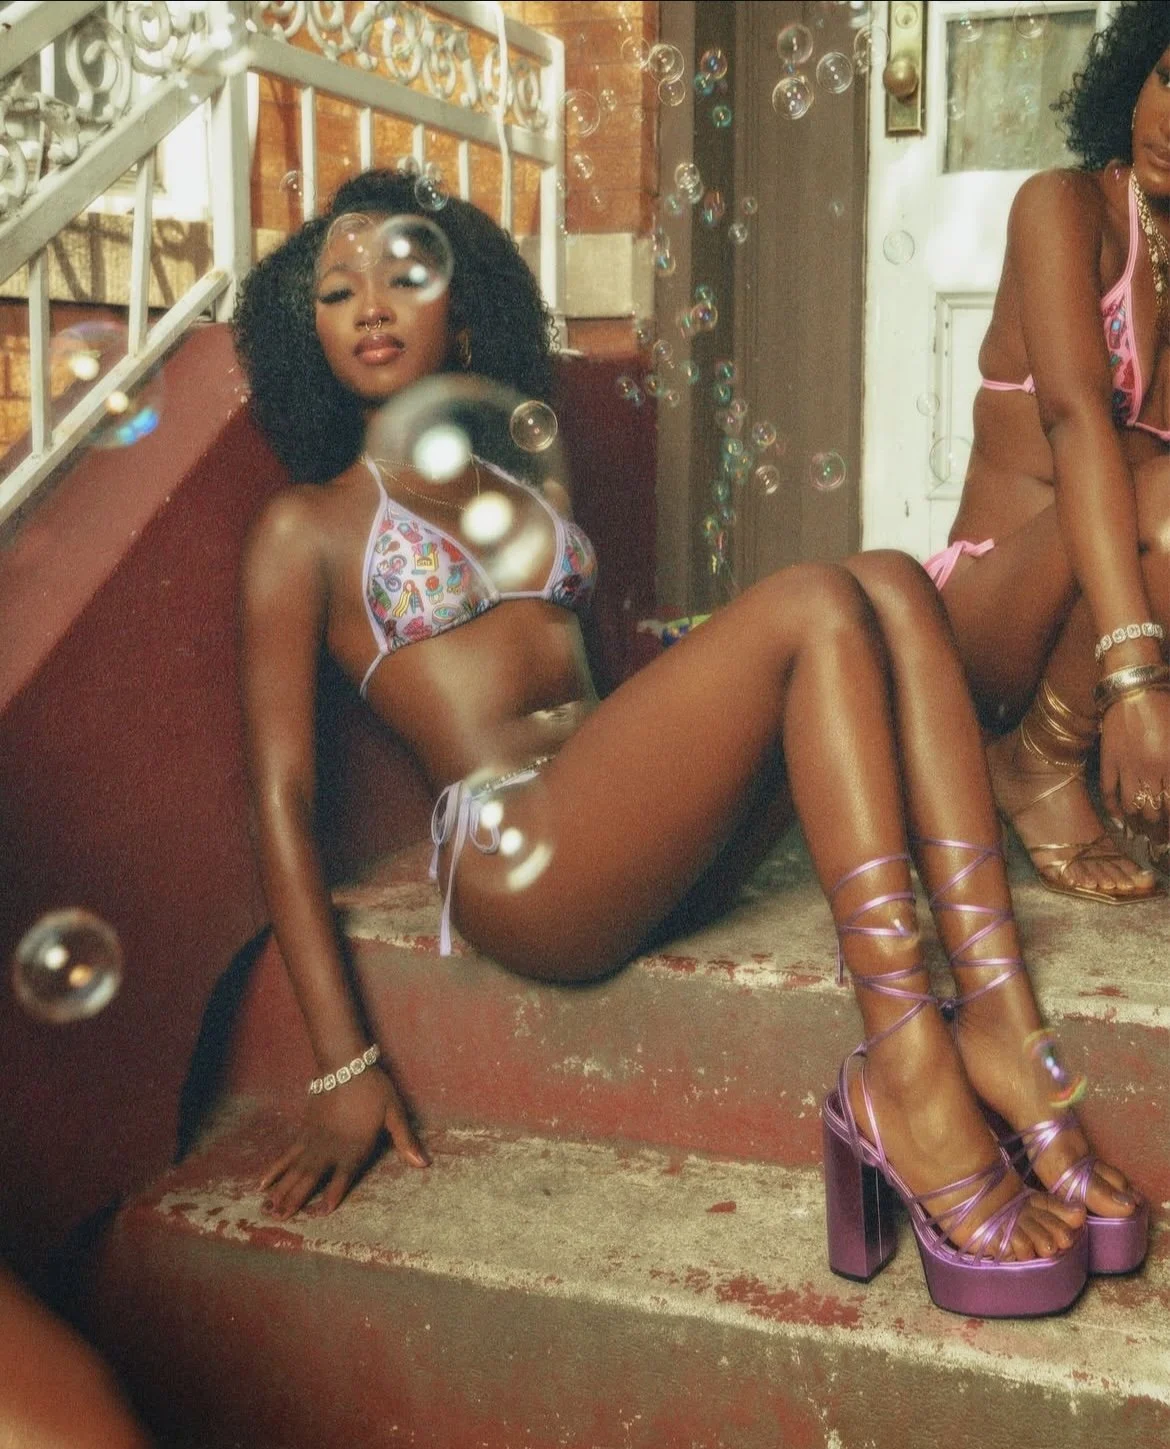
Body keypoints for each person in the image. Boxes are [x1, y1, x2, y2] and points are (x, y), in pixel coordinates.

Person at [233, 169, 1144, 1317]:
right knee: (818, 603)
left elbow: (599, 697)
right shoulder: (305, 527)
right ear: (308, 338)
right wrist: (343, 1065)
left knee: (892, 583)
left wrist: (708, 707)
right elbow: (279, 797)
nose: (369, 304)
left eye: (402, 277)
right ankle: (908, 1076)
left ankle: (1001, 1021)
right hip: (523, 861)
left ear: (463, 315)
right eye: (336, 291)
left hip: (621, 832)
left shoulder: (516, 479)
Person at [927, 3, 1170, 904]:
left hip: (1101, 621)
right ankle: (1035, 762)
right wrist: (1138, 687)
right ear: (1135, 76)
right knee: (1162, 496)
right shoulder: (1063, 208)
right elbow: (1075, 424)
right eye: (1169, 80)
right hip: (988, 619)